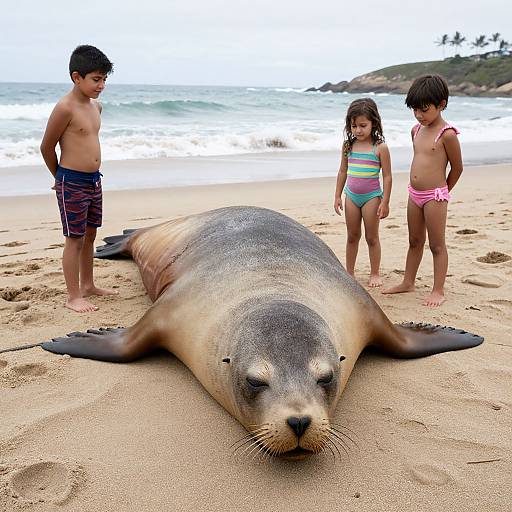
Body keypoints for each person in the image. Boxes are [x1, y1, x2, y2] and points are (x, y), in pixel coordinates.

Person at [40, 45, 117, 313]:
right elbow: (46, 147)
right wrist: (59, 178)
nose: (102, 85)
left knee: (91, 234)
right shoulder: (65, 108)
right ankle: (73, 296)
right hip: (71, 181)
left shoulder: (97, 107)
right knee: (74, 238)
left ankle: (88, 285)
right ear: (76, 77)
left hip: (94, 180)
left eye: (105, 79)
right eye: (96, 79)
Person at [382, 74, 463, 307]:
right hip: (414, 194)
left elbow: (457, 167)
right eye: (415, 110)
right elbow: (421, 159)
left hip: (435, 197)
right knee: (415, 240)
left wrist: (444, 191)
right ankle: (408, 281)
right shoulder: (415, 130)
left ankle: (438, 289)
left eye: (424, 110)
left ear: (441, 105)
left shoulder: (447, 135)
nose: (419, 115)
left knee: (437, 245)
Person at [334, 98, 392, 287]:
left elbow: (387, 176)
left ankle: (375, 273)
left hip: (371, 198)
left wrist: (385, 201)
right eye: (353, 126)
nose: (358, 130)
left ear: (373, 123)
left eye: (362, 125)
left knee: (372, 237)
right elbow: (342, 171)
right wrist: (337, 195)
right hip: (351, 196)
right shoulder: (348, 146)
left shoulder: (380, 148)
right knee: (352, 236)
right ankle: (349, 272)